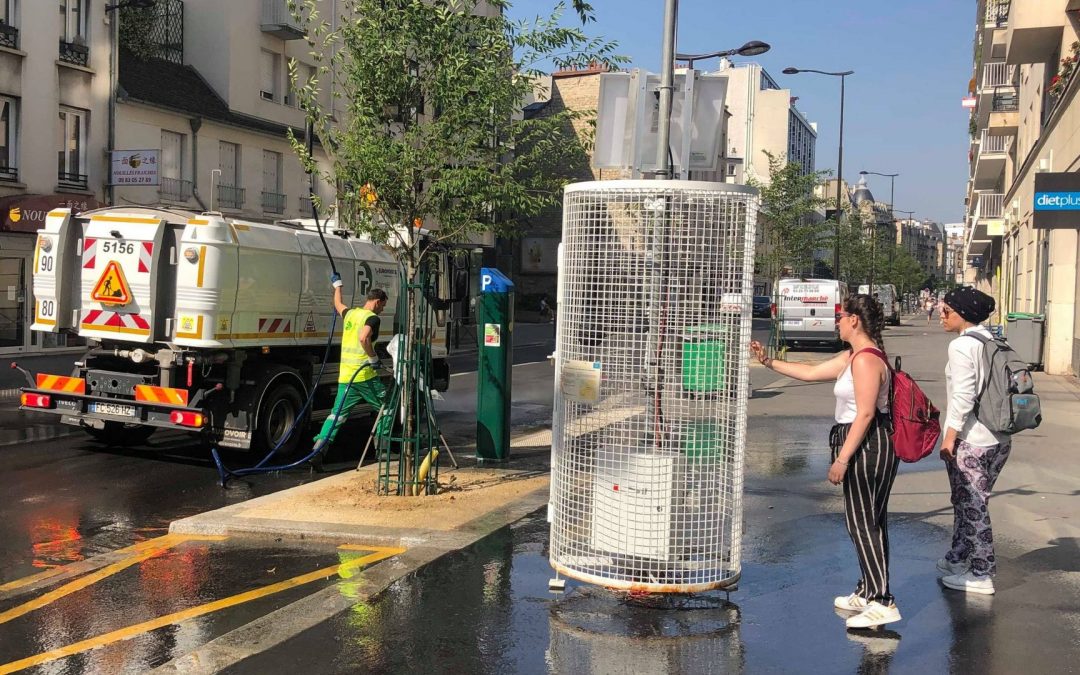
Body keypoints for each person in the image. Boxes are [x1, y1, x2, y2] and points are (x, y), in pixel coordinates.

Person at [750, 294, 900, 629]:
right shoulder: (855, 356)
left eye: (840, 315)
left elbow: (864, 414)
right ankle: (868, 590)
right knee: (870, 521)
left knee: (862, 523)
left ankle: (882, 599)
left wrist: (842, 459)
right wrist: (768, 362)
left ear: (854, 321)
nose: (837, 321)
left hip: (867, 444)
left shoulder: (865, 360)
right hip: (868, 442)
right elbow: (811, 372)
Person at [936, 286, 1008, 595]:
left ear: (962, 313)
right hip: (999, 439)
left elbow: (964, 397)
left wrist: (949, 438)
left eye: (947, 310)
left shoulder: (962, 345)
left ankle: (981, 573)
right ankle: (958, 557)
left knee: (974, 506)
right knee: (966, 502)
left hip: (973, 440)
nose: (941, 314)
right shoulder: (992, 339)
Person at [310, 278, 391, 470]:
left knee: (336, 416)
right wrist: (372, 357)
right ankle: (384, 452)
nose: (382, 310)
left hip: (346, 377)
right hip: (364, 377)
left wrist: (338, 286)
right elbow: (364, 337)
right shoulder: (372, 318)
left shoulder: (351, 314)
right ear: (377, 302)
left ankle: (318, 450)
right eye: (383, 306)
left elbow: (337, 304)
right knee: (386, 408)